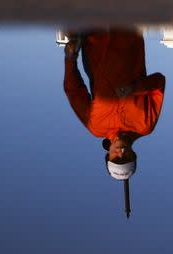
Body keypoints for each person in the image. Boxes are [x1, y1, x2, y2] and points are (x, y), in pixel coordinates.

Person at [63, 29, 166, 217]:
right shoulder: (145, 125)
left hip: (95, 37)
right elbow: (159, 82)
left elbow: (73, 90)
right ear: (134, 154)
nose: (122, 153)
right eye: (126, 158)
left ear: (107, 155)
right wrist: (135, 89)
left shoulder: (96, 126)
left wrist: (70, 59)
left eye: (116, 158)